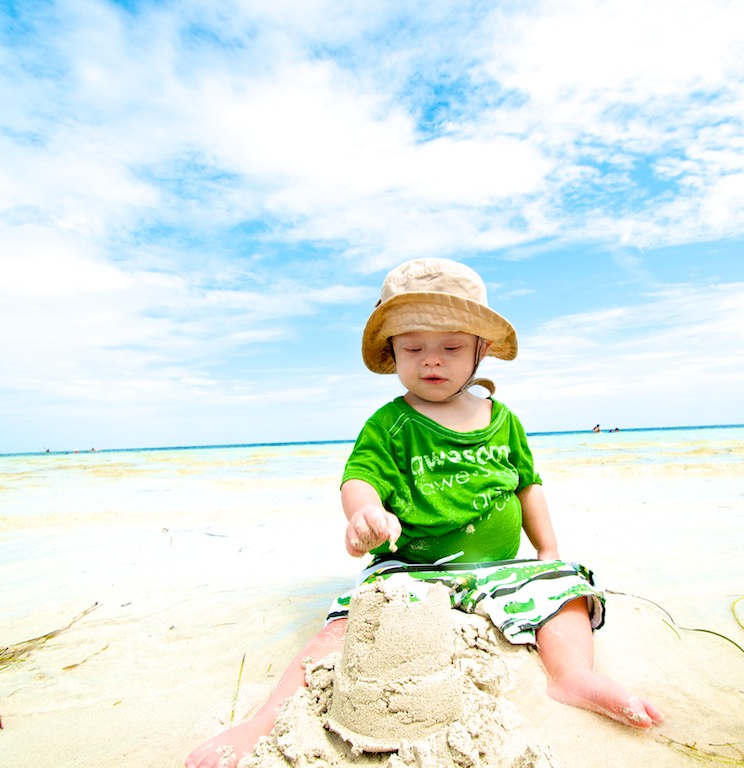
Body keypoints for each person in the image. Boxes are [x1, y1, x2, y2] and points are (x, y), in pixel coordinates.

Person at [185, 258, 662, 768]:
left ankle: (573, 678)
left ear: (481, 350)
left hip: (499, 570)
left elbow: (528, 487)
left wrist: (546, 553)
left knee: (565, 591)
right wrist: (363, 513)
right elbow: (359, 478)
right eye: (413, 348)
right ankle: (264, 718)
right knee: (347, 626)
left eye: (451, 348)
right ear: (392, 351)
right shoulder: (392, 423)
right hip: (410, 569)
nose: (432, 361)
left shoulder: (504, 421)